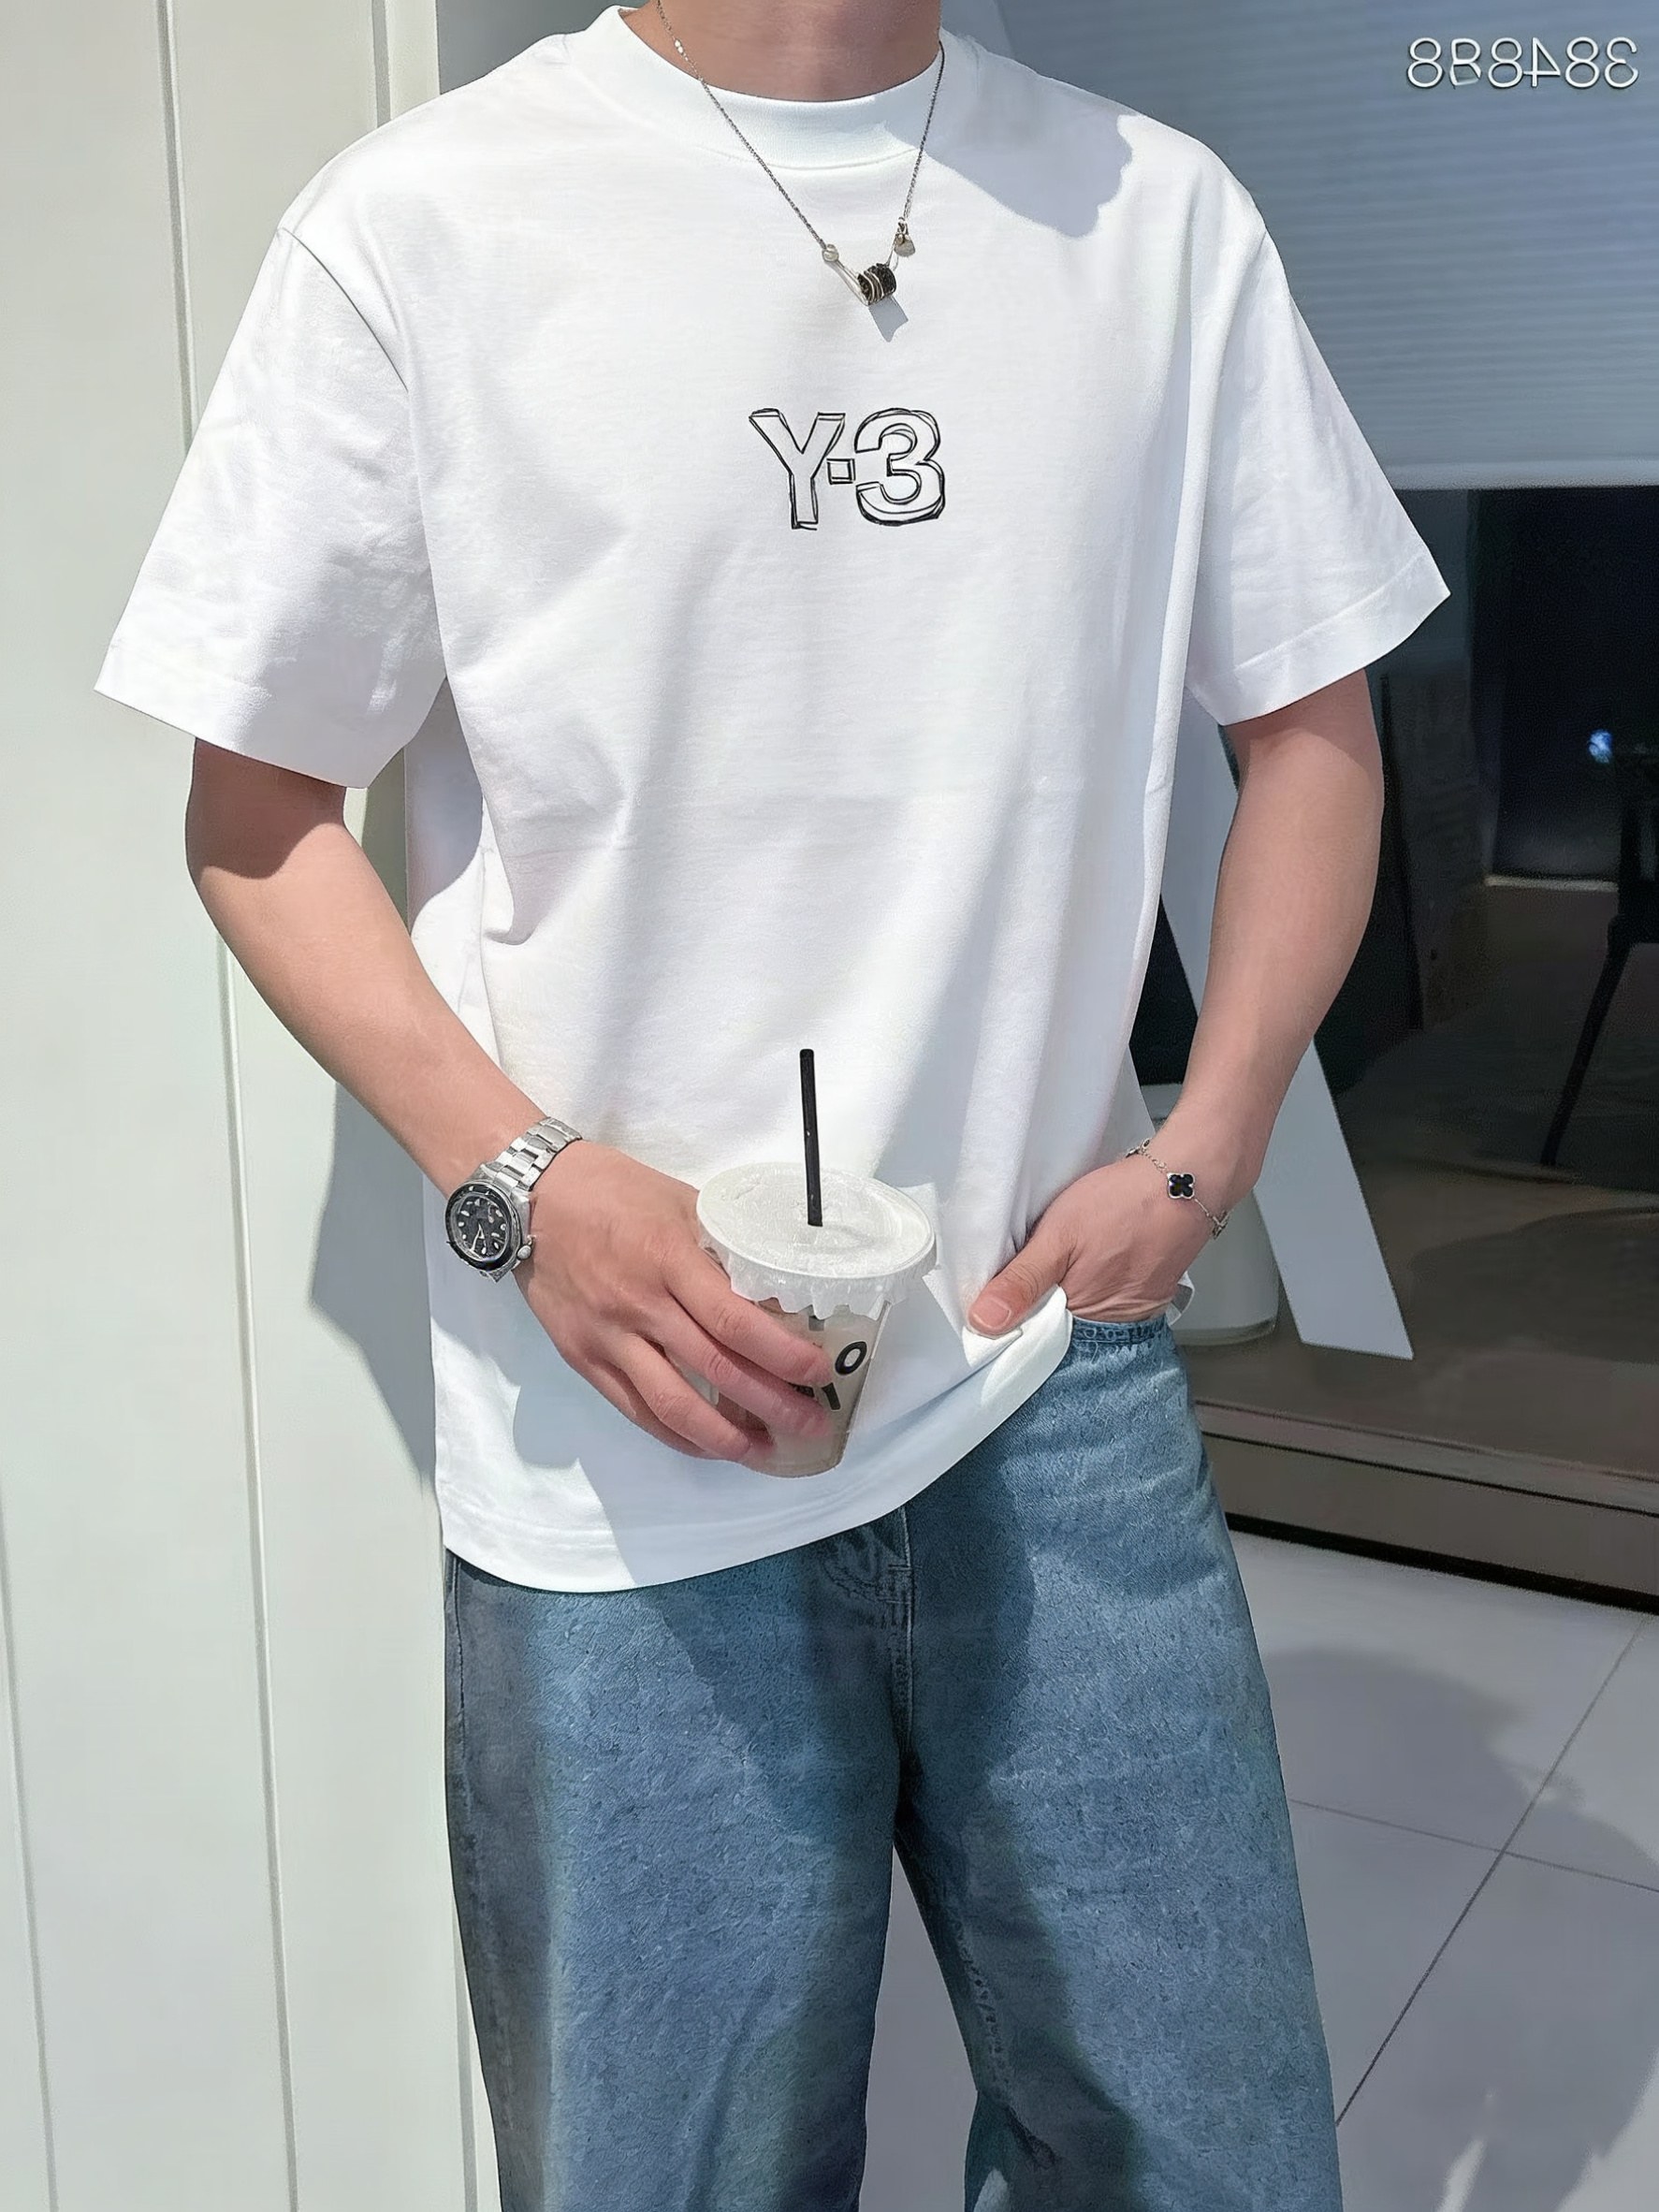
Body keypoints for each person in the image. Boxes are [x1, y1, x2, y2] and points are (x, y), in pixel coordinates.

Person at [93, 2, 1448, 2203]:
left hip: (1047, 1372)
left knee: (1204, 2152)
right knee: (670, 2175)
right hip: (623, 1426)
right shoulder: (423, 225)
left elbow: (1309, 723)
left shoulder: (1154, 221)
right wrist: (523, 1185)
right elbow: (255, 813)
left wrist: (1198, 1154)